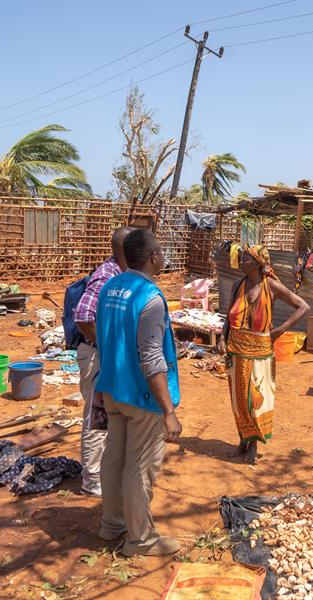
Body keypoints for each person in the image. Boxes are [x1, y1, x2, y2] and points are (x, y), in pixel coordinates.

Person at [94, 228, 183, 556]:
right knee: (140, 466)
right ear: (152, 257)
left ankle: (111, 524)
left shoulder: (110, 287)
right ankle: (140, 539)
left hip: (113, 388)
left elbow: (105, 337)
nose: (162, 256)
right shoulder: (151, 298)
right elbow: (152, 359)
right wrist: (169, 412)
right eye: (159, 251)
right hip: (142, 396)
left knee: (114, 457)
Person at [217, 245, 309, 464]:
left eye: (245, 259)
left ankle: (254, 444)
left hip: (261, 352)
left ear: (258, 262)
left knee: (257, 399)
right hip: (236, 351)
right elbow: (227, 318)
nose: (240, 262)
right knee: (239, 401)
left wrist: (279, 330)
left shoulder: (272, 287)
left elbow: (303, 306)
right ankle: (243, 439)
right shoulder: (237, 285)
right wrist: (222, 338)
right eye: (240, 258)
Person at [73, 226, 134, 496]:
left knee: (107, 416)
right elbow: (84, 316)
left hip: (103, 355)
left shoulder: (119, 274)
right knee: (97, 418)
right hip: (97, 355)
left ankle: (101, 471)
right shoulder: (106, 276)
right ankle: (92, 479)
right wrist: (105, 345)